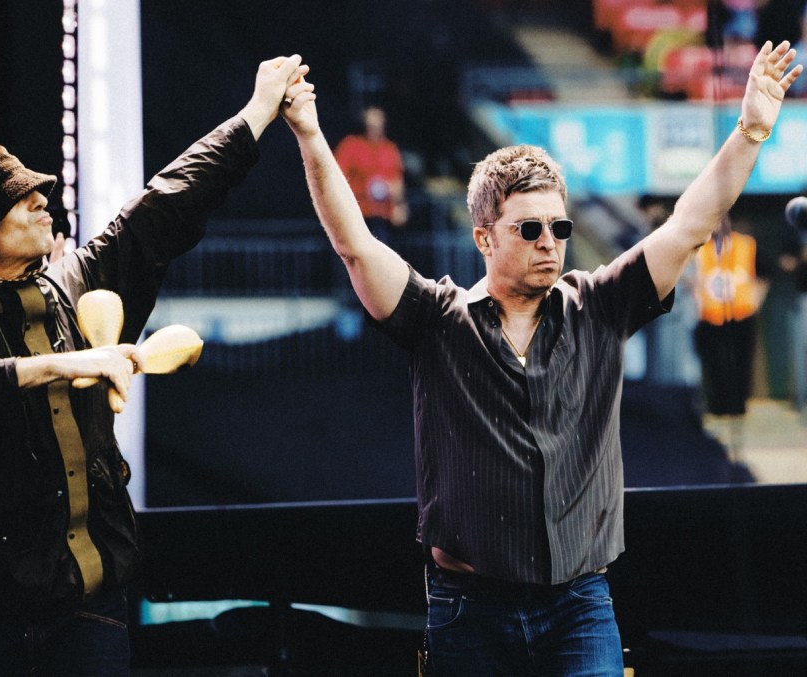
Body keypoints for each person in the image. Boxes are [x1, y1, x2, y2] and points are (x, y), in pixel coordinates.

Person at [279, 41, 800, 675]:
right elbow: (355, 246)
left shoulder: (600, 305)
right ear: (484, 237)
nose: (550, 242)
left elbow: (689, 223)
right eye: (529, 229)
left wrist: (749, 131)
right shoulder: (439, 320)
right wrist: (310, 134)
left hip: (580, 606)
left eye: (559, 227)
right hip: (468, 609)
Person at [0, 55, 308, 677]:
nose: (41, 202)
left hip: (87, 607)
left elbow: (169, 201)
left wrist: (257, 112)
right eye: (19, 198)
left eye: (38, 192)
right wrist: (58, 365)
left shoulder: (72, 286)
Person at [692, 213, 765, 459]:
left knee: (741, 364)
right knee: (715, 364)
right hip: (711, 317)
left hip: (741, 314)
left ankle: (738, 407)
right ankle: (718, 408)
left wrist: (755, 301)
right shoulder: (701, 249)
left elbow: (764, 273)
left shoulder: (746, 244)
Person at [333, 105, 408, 244]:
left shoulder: (390, 148)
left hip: (383, 217)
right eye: (371, 125)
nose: (376, 128)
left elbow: (397, 181)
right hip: (357, 216)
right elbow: (336, 177)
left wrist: (400, 205)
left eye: (379, 123)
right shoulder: (351, 145)